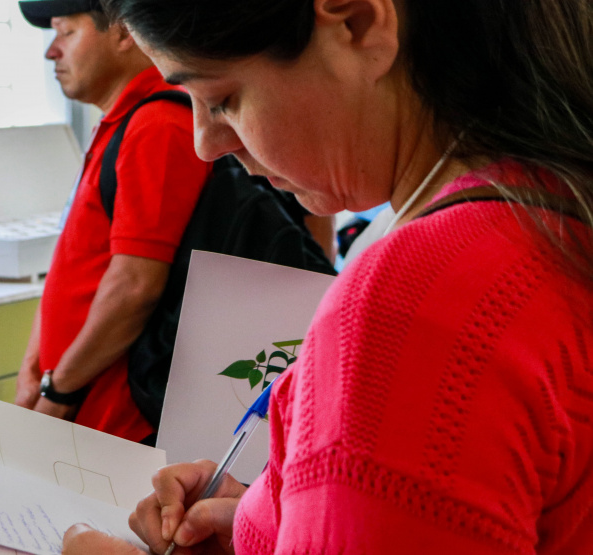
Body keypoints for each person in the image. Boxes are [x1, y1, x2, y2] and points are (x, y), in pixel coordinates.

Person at [61, 0, 593, 553]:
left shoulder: (409, 305)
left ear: (358, 24)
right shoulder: (551, 216)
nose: (206, 144)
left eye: (222, 99)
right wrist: (282, 517)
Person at [11, 0, 211, 445]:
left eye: (65, 33)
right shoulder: (118, 125)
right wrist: (33, 366)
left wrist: (58, 392)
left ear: (123, 31)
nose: (51, 52)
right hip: (83, 414)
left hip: (119, 425)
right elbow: (77, 264)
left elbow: (134, 288)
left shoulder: (158, 124)